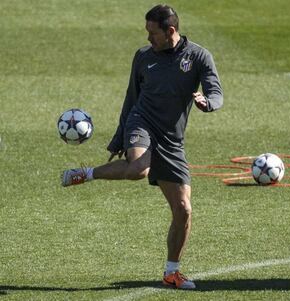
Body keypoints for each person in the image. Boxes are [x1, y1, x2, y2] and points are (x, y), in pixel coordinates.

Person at [61, 4, 223, 289]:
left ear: (170, 31)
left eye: (153, 32)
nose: (148, 38)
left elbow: (216, 92)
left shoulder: (198, 56)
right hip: (142, 121)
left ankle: (172, 272)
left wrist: (208, 104)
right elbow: (131, 96)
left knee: (183, 210)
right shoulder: (143, 56)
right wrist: (118, 136)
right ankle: (86, 174)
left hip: (172, 140)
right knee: (138, 169)